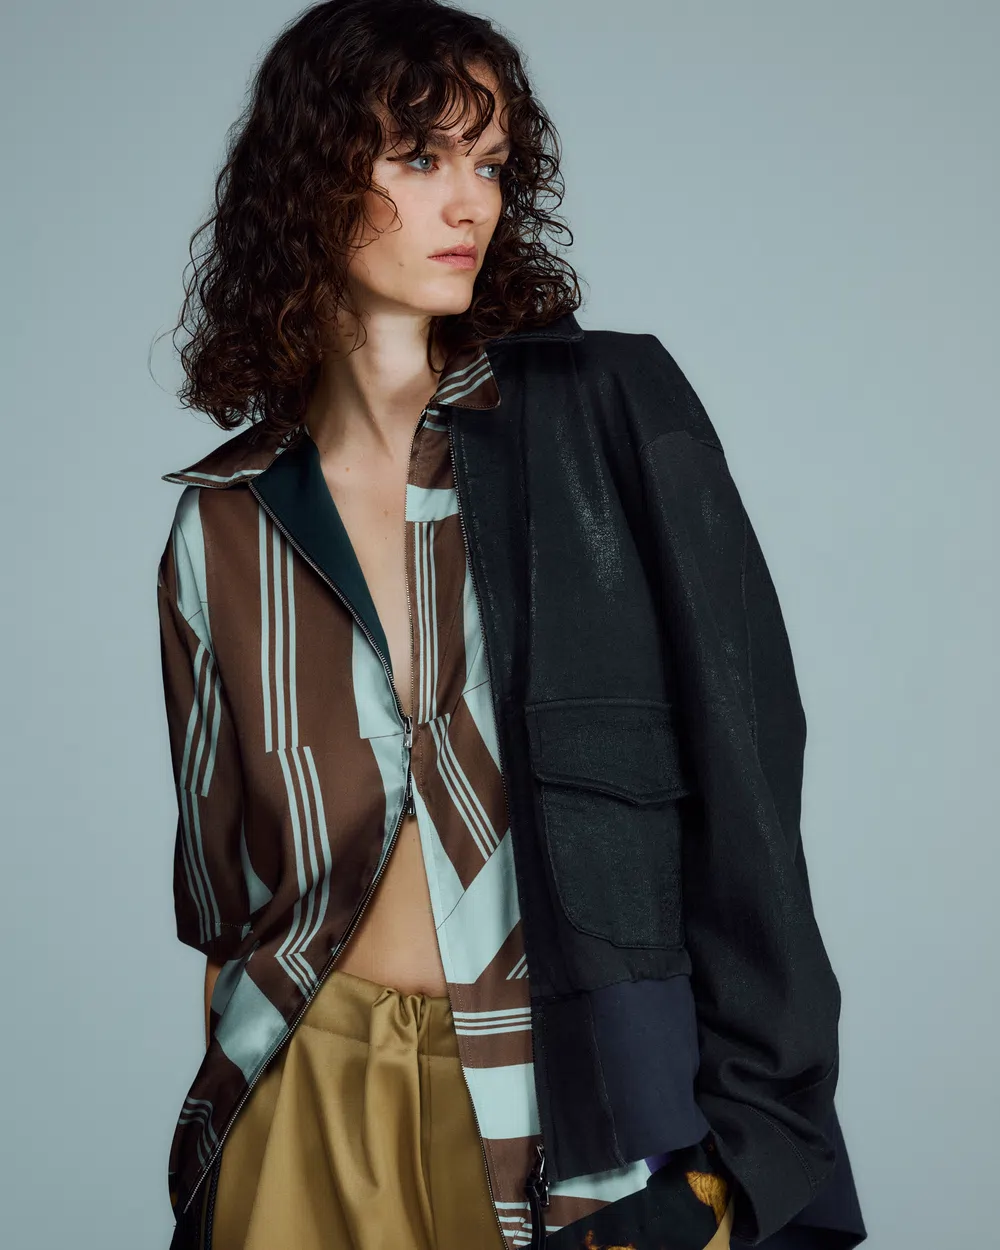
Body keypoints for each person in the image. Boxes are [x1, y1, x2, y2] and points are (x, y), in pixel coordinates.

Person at [155, 3, 867, 1248]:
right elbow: (226, 905)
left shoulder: (605, 414)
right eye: (421, 157)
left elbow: (750, 793)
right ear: (310, 180)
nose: (468, 203)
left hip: (567, 1107)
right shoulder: (222, 522)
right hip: (300, 1088)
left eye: (488, 165)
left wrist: (749, 1147)